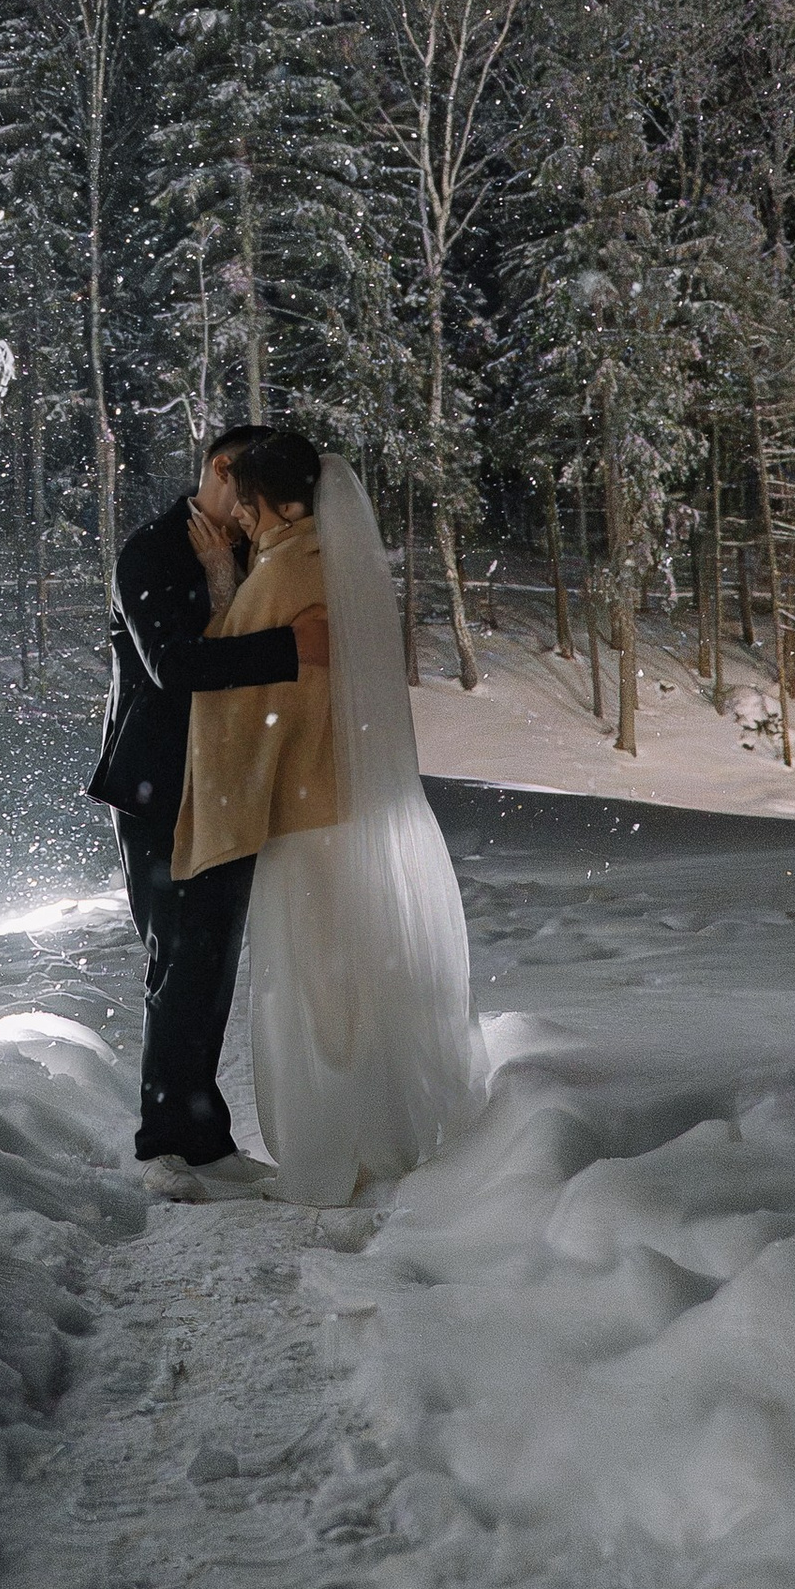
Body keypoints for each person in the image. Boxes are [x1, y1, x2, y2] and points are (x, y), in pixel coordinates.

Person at [179, 427, 479, 1207]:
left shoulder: (283, 572)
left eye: (245, 506)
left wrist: (218, 579)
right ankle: (377, 1131)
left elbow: (225, 690)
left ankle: (331, 1150)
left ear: (276, 503)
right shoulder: (335, 563)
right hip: (348, 801)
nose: (238, 520)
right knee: (353, 969)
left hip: (302, 807)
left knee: (313, 983)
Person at [90, 426, 331, 1187]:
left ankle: (203, 1139)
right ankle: (168, 1145)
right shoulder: (152, 550)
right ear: (222, 470)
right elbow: (171, 666)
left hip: (229, 780)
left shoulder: (246, 545)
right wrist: (293, 650)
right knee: (178, 958)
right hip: (160, 782)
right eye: (252, 495)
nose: (258, 511)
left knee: (212, 959)